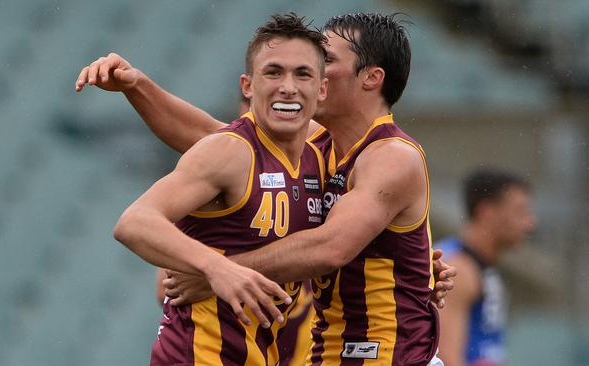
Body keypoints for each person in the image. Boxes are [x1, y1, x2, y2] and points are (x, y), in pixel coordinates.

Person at [76, 12, 455, 365]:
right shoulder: (318, 144)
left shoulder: (390, 156)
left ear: (371, 78)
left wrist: (218, 272)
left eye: (323, 62)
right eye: (276, 72)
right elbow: (214, 139)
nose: (306, 79)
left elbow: (330, 247)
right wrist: (137, 86)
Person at [111, 14, 330, 365]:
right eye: (273, 72)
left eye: (302, 73)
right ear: (247, 85)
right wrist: (217, 268)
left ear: (322, 89)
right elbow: (133, 222)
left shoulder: (322, 152)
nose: (288, 86)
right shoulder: (229, 152)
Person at [436, 169, 536, 366]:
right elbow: (445, 358)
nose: (530, 223)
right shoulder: (457, 269)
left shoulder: (481, 266)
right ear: (487, 212)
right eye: (520, 212)